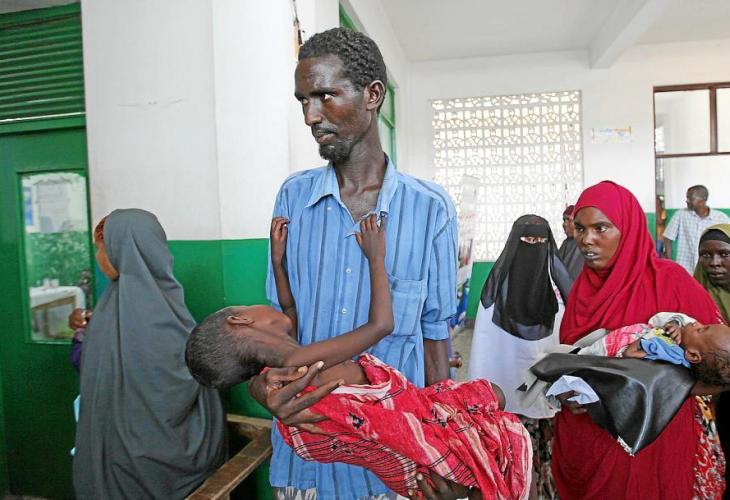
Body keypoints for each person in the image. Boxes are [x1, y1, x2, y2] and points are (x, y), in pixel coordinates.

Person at [246, 27, 458, 500]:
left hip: (395, 466)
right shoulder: (293, 198)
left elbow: (434, 339)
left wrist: (445, 447)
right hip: (307, 460)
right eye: (303, 101)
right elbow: (279, 329)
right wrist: (264, 390)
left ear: (372, 95)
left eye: (325, 96)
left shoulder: (430, 208)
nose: (311, 116)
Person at [186, 215, 530, 499]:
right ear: (240, 320)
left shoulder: (288, 366)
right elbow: (382, 324)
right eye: (249, 306)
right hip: (418, 443)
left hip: (408, 440)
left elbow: (288, 308)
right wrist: (375, 257)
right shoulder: (302, 363)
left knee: (491, 399)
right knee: (497, 402)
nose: (267, 306)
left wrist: (278, 261)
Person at [553, 181, 725, 499]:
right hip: (590, 441)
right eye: (580, 228)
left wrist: (657, 388)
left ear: (628, 228)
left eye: (601, 228)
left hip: (653, 444)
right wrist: (566, 392)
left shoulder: (672, 282)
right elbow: (572, 359)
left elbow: (723, 364)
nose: (587, 239)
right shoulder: (582, 292)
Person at [73, 209, 225, 499]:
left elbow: (169, 385)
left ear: (120, 249)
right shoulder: (162, 306)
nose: (98, 257)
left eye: (101, 248)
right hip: (134, 450)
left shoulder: (127, 309)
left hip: (133, 459)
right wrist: (83, 335)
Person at [469, 214, 571, 499]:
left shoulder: (558, 296)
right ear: (515, 242)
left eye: (540, 240)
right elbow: (484, 352)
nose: (534, 245)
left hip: (545, 407)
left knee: (544, 472)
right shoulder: (493, 298)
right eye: (527, 239)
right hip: (505, 413)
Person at [695, 224, 730, 498]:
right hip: (717, 395)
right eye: (706, 255)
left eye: (724, 254)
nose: (714, 263)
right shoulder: (695, 295)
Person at [663, 184, 730, 274]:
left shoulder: (721, 218)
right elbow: (668, 237)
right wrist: (668, 258)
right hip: (685, 268)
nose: (687, 201)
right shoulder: (680, 215)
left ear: (703, 199)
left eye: (690, 198)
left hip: (709, 268)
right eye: (687, 197)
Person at [557, 204, 583, 280]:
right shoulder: (567, 242)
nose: (564, 224)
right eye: (564, 220)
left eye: (569, 220)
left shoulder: (584, 243)